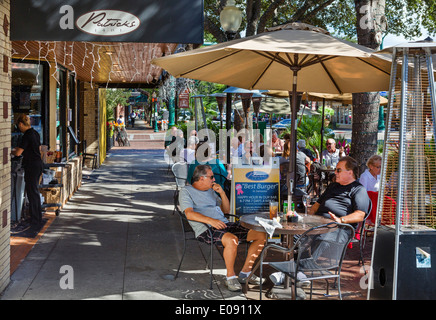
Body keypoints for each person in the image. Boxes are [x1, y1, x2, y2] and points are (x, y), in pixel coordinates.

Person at [179, 165, 266, 292]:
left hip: (223, 224)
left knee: (260, 234)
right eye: (211, 177)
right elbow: (189, 213)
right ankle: (230, 277)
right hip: (206, 229)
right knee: (232, 240)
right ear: (201, 178)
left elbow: (225, 211)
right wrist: (211, 221)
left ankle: (245, 273)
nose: (214, 180)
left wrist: (222, 193)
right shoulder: (186, 191)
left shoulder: (210, 191)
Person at [308, 156, 370, 229]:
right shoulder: (332, 186)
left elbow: (360, 215)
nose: (335, 172)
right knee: (294, 236)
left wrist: (340, 220)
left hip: (339, 228)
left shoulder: (358, 189)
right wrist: (308, 220)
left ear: (350, 172)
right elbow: (316, 205)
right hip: (318, 224)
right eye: (335, 170)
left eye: (338, 170)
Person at [11, 114, 44, 233]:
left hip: (31, 166)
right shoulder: (35, 133)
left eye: (17, 125)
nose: (18, 127)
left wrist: (10, 151)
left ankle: (35, 220)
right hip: (38, 164)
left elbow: (19, 152)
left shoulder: (27, 135)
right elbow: (39, 149)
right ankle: (37, 217)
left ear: (20, 124)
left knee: (32, 192)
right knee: (34, 192)